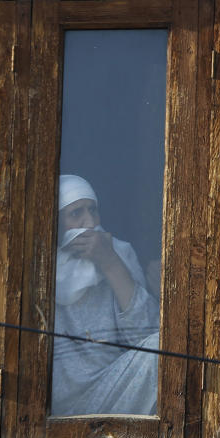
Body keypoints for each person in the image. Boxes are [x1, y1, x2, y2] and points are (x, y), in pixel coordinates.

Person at [51, 174, 160, 416]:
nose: (89, 223)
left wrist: (110, 263)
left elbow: (146, 337)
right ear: (55, 223)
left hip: (113, 391)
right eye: (76, 214)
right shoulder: (39, 267)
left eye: (93, 210)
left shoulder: (119, 253)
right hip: (53, 409)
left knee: (165, 347)